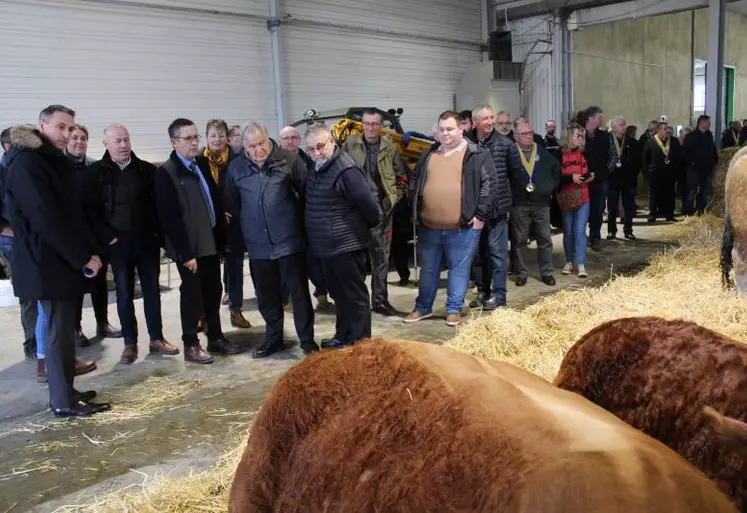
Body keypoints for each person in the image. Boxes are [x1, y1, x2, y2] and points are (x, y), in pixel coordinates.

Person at [5, 105, 109, 417]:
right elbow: (46, 219)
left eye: (70, 128)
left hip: (56, 259)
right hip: (45, 261)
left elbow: (69, 215)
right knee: (56, 332)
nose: (67, 134)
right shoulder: (27, 163)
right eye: (61, 127)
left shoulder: (48, 160)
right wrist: (81, 257)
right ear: (42, 126)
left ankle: (67, 391)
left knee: (63, 331)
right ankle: (62, 401)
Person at [80, 124, 177, 364]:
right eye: (117, 141)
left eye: (126, 140)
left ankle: (156, 337)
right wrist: (107, 237)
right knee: (124, 294)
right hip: (118, 245)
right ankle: (130, 343)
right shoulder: (96, 173)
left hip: (147, 242)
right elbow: (90, 211)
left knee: (152, 291)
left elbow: (159, 205)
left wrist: (158, 235)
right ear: (106, 144)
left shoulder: (146, 170)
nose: (123, 145)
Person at [225, 122, 319, 358]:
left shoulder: (289, 160)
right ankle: (274, 338)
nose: (258, 150)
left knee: (299, 295)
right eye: (252, 146)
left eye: (261, 143)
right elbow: (233, 204)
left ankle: (307, 341)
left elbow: (308, 195)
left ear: (268, 139)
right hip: (258, 247)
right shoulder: (236, 168)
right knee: (266, 297)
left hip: (289, 242)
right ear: (244, 147)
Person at [155, 118, 239, 364]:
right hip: (190, 249)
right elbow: (168, 218)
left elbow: (213, 196)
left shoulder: (199, 163)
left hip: (209, 243)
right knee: (192, 296)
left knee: (214, 292)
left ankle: (216, 337)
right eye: (188, 138)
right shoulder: (167, 173)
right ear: (174, 142)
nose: (194, 142)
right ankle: (191, 344)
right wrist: (184, 253)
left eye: (195, 137)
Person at [404, 111, 494, 326]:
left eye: (450, 129)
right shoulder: (429, 153)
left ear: (461, 129)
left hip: (462, 227)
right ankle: (423, 307)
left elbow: (489, 186)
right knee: (429, 269)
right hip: (429, 225)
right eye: (442, 129)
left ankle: (453, 309)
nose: (445, 133)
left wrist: (480, 216)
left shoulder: (476, 154)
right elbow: (416, 181)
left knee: (458, 269)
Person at [304, 123, 382, 348]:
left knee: (354, 296)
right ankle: (343, 335)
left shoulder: (345, 169)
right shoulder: (318, 168)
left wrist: (357, 231)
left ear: (332, 142)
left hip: (345, 246)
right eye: (311, 149)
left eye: (321, 146)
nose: (317, 153)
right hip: (327, 247)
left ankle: (360, 342)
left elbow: (369, 206)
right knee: (340, 295)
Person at [343, 109, 408, 316]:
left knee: (381, 258)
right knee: (357, 260)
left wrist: (395, 198)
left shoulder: (390, 147)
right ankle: (358, 303)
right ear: (362, 124)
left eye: (375, 124)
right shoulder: (350, 145)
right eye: (367, 123)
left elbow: (401, 176)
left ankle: (380, 301)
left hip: (382, 211)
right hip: (357, 214)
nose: (371, 128)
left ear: (381, 126)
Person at [67, 124, 122, 345]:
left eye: (83, 138)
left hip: (96, 233)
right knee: (76, 285)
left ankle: (103, 322)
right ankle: (75, 328)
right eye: (74, 138)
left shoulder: (94, 167)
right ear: (67, 140)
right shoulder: (60, 167)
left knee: (100, 281)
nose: (79, 142)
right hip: (73, 236)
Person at [202, 119, 251, 329]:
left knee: (235, 266)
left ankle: (236, 309)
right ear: (206, 138)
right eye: (213, 135)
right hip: (209, 223)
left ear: (228, 138)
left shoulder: (238, 160)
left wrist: (233, 212)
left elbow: (243, 189)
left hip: (234, 223)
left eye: (221, 135)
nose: (217, 140)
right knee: (207, 270)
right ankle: (203, 314)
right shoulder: (199, 161)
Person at [279, 125, 329, 309]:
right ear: (280, 141)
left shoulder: (310, 159)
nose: (290, 141)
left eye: (293, 137)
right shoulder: (275, 162)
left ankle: (321, 292)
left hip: (308, 217)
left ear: (299, 139)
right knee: (287, 262)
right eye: (286, 138)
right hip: (285, 222)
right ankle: (284, 298)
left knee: (313, 260)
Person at [468, 103, 512, 311]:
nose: (490, 122)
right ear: (475, 122)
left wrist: (507, 203)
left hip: (497, 210)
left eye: (491, 117)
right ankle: (483, 292)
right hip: (475, 210)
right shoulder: (466, 144)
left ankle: (499, 295)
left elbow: (516, 175)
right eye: (485, 119)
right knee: (479, 255)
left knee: (497, 253)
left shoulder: (505, 144)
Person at [507, 118, 560, 287]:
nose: (529, 137)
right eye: (524, 134)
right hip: (518, 203)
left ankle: (547, 273)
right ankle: (521, 273)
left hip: (540, 203)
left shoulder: (542, 152)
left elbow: (556, 168)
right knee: (520, 240)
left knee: (545, 238)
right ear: (516, 136)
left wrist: (550, 187)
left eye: (530, 133)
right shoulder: (511, 153)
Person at [558, 123, 590, 278]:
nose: (581, 138)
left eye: (582, 135)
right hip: (566, 198)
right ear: (569, 136)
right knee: (569, 232)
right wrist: (570, 177)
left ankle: (581, 263)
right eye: (578, 135)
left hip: (583, 196)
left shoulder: (583, 153)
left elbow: (588, 170)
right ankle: (569, 261)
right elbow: (556, 177)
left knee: (580, 231)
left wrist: (590, 176)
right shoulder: (559, 154)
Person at [580, 106, 613, 251]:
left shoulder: (605, 136)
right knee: (581, 211)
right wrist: (585, 175)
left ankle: (595, 237)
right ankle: (580, 237)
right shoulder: (579, 134)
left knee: (598, 210)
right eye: (599, 117)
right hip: (582, 181)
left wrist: (601, 174)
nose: (602, 120)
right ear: (590, 119)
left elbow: (612, 157)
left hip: (600, 180)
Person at [606, 116, 640, 240]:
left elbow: (638, 162)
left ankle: (628, 230)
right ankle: (611, 231)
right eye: (621, 125)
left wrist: (633, 173)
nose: (624, 127)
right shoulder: (607, 141)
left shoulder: (632, 142)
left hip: (628, 179)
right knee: (612, 207)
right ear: (614, 127)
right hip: (612, 179)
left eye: (625, 124)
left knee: (629, 207)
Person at [683, 115, 719, 216]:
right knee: (691, 191)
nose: (710, 124)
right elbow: (686, 153)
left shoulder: (709, 135)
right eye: (708, 122)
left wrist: (715, 160)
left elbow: (712, 149)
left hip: (707, 169)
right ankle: (688, 213)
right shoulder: (691, 137)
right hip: (694, 169)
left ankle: (701, 211)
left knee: (704, 192)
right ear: (702, 122)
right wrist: (692, 163)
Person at [644, 121, 680, 222]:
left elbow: (678, 157)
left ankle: (670, 214)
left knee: (670, 194)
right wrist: (648, 173)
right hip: (655, 174)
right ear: (658, 130)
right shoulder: (650, 142)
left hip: (669, 174)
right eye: (664, 129)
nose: (667, 131)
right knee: (654, 195)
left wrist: (676, 172)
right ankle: (652, 214)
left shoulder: (674, 141)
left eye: (668, 129)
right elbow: (645, 159)